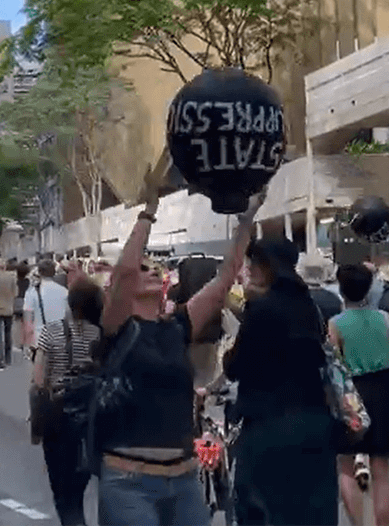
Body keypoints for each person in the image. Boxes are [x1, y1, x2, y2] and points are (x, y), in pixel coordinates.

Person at [95, 173, 256, 526]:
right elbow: (123, 272)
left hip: (183, 480)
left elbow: (223, 279)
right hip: (129, 482)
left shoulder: (176, 327)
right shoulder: (119, 328)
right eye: (142, 270)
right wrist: (149, 211)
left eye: (154, 267)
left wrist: (248, 216)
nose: (151, 270)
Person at [227, 238, 337, 526]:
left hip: (269, 428)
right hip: (314, 424)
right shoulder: (309, 307)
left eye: (252, 264)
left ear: (263, 268)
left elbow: (235, 366)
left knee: (264, 510)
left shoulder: (261, 309)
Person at [330, 263, 389, 526]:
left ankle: (357, 524)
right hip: (384, 392)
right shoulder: (384, 319)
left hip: (351, 395)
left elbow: (334, 364)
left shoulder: (336, 324)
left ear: (341, 289)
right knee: (382, 471)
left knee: (346, 466)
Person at [33, 279, 103, 526]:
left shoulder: (51, 331)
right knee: (81, 486)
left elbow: (38, 378)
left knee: (64, 497)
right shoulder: (101, 333)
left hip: (58, 417)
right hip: (92, 418)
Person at [167, 253, 225, 388]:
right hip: (210, 340)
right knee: (205, 381)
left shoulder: (176, 294)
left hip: (190, 344)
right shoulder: (215, 296)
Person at [23, 259, 69, 359]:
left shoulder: (32, 292)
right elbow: (69, 317)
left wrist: (28, 344)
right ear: (54, 272)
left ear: (39, 272)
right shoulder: (64, 291)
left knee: (39, 371)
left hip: (39, 339)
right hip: (60, 338)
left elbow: (28, 321)